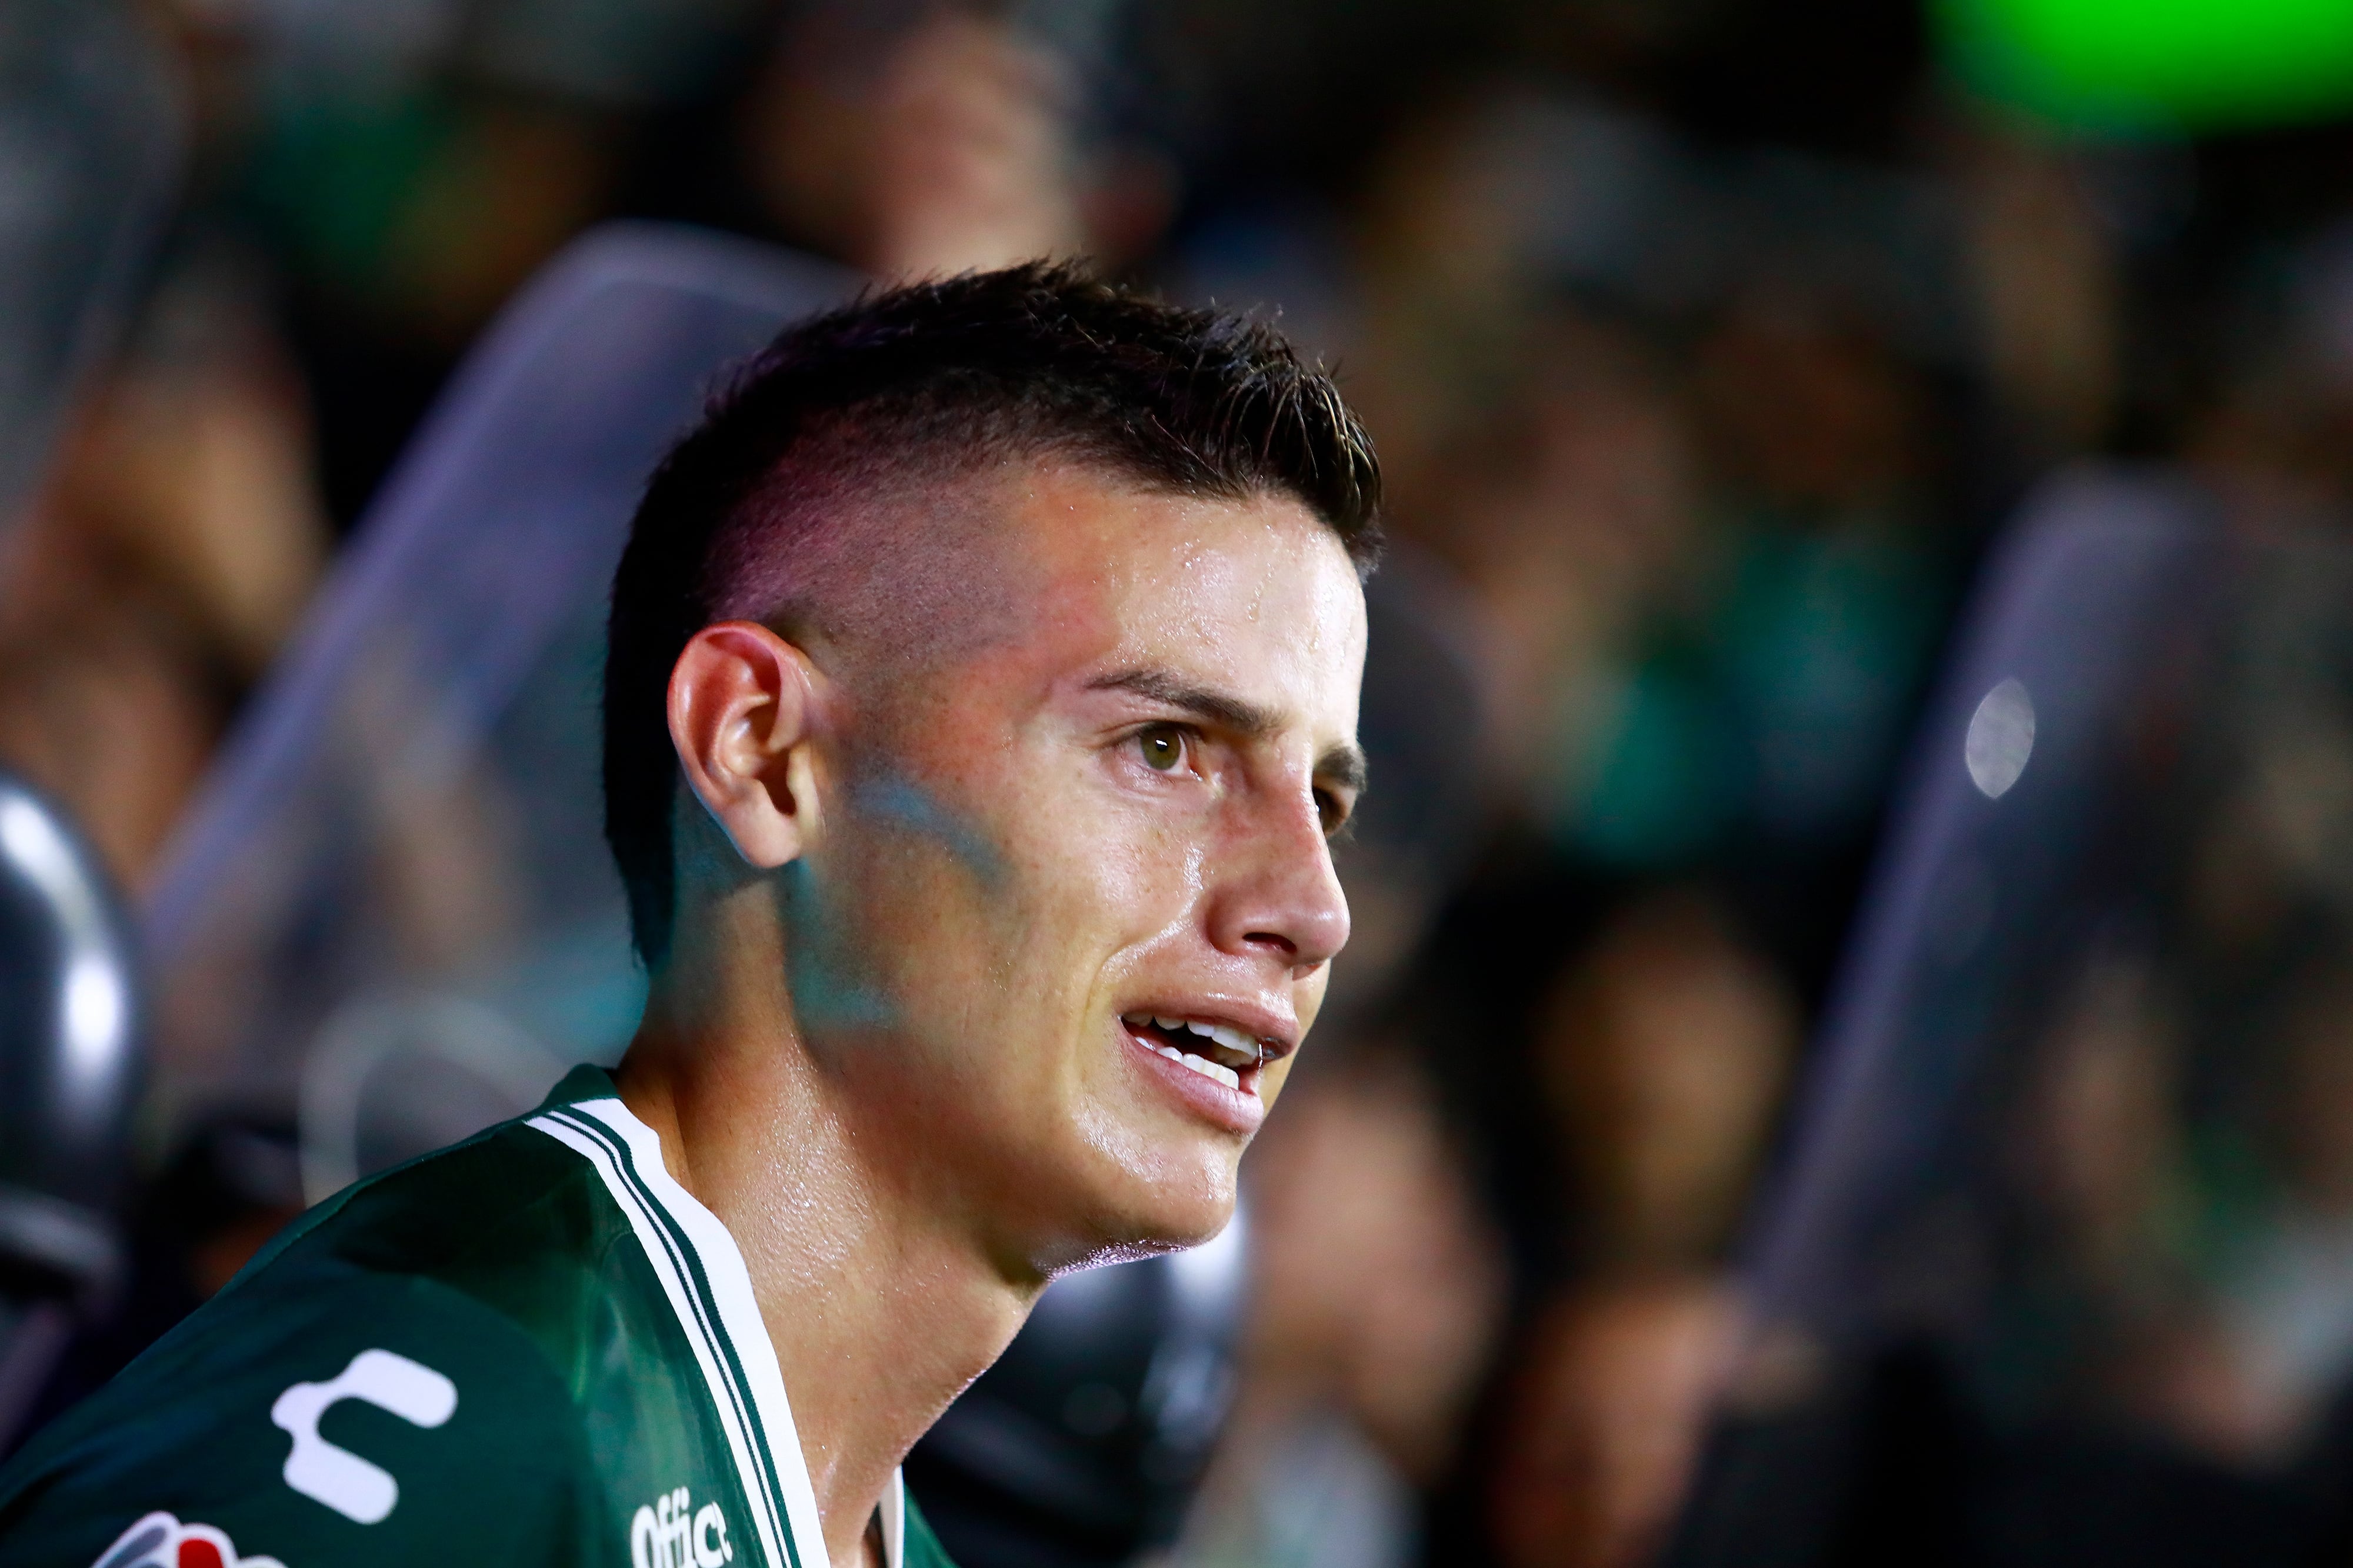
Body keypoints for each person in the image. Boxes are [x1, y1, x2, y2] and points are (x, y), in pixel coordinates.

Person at [0, 262, 1379, 1568]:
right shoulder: (437, 1419)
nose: (1309, 909)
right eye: (1164, 749)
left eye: (1323, 799)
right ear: (764, 751)